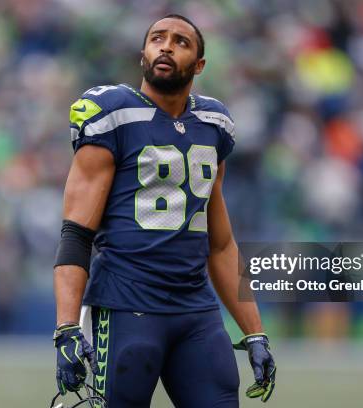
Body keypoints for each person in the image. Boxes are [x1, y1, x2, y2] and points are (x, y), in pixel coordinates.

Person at [52, 14, 276, 407]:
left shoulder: (213, 123)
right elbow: (76, 233)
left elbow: (220, 244)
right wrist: (67, 327)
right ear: (143, 54)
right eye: (157, 38)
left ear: (199, 65)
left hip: (196, 311)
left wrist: (254, 331)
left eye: (181, 41)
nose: (167, 46)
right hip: (126, 305)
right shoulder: (112, 113)